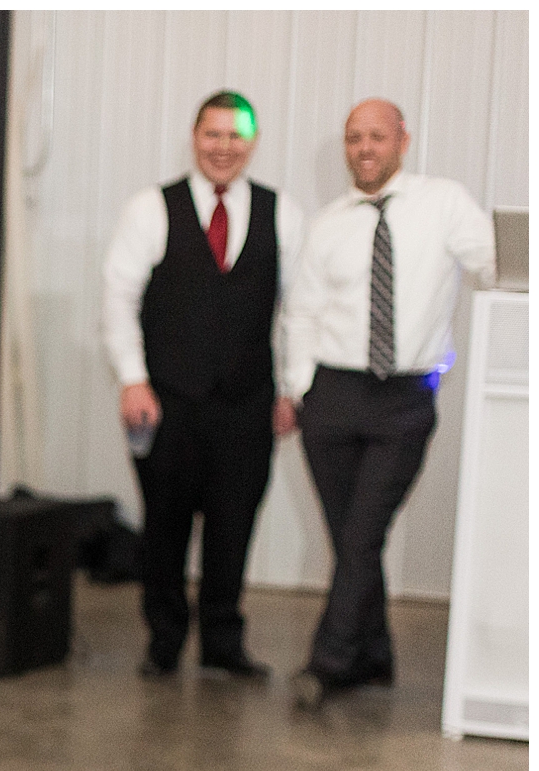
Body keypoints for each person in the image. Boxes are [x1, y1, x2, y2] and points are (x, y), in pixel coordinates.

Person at [281, 99, 495, 709]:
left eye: (376, 136)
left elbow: (494, 265)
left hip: (403, 398)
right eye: (354, 138)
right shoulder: (328, 224)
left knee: (362, 532)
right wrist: (298, 390)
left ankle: (328, 662)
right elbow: (302, 313)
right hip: (331, 396)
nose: (364, 148)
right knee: (351, 537)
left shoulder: (444, 203)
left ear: (403, 139)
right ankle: (373, 657)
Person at [102, 90, 304, 679]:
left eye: (235, 135)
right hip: (166, 402)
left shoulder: (281, 213)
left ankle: (222, 643)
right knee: (164, 526)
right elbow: (118, 298)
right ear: (194, 138)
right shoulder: (150, 208)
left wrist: (292, 388)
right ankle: (163, 640)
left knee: (233, 526)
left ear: (252, 143)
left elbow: (300, 310)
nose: (223, 146)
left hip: (247, 404)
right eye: (213, 134)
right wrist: (133, 381)